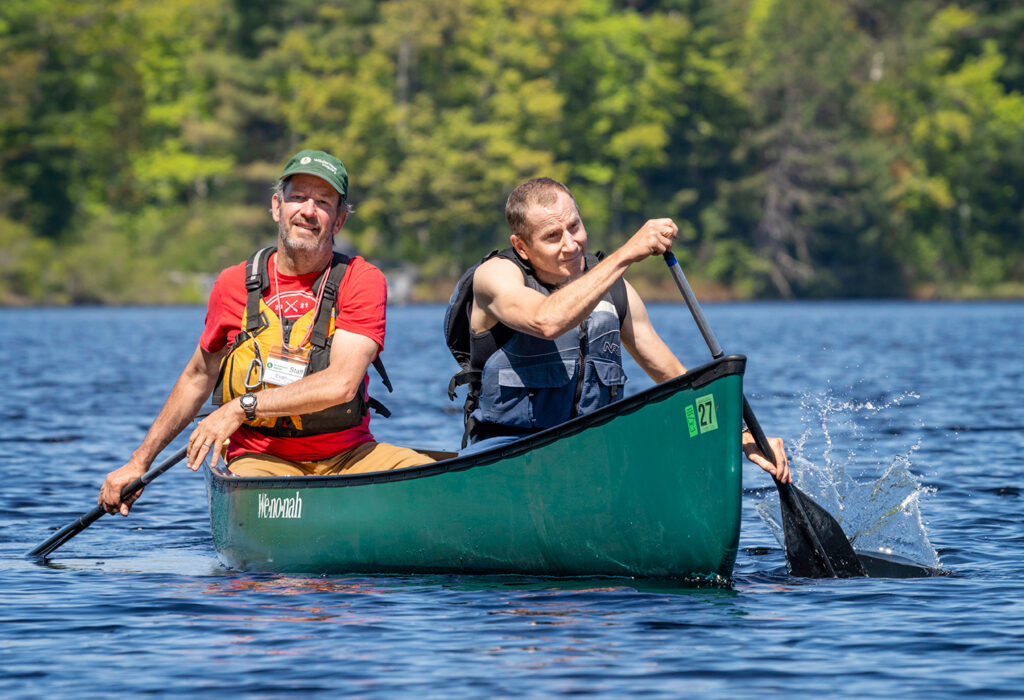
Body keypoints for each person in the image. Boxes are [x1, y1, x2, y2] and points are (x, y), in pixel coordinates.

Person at [100, 149, 434, 516]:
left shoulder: (362, 280)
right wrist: (139, 462)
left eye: (323, 202)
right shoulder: (231, 285)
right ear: (277, 207)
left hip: (350, 456)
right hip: (260, 461)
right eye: (298, 197)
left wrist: (240, 408)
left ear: (339, 220)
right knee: (261, 503)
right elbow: (198, 376)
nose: (308, 210)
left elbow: (341, 384)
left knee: (433, 481)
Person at [456, 176, 790, 482]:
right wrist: (627, 253)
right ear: (521, 246)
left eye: (574, 227)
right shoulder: (496, 276)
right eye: (552, 237)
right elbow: (547, 321)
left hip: (592, 457)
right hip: (505, 458)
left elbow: (676, 381)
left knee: (688, 435)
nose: (571, 244)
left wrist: (741, 435)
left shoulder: (616, 291)